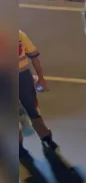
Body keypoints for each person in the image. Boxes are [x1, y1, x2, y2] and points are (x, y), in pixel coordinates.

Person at [18, 30, 57, 158]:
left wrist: (41, 78)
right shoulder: (18, 34)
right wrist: (40, 78)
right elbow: (34, 57)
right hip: (23, 77)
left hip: (21, 78)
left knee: (31, 110)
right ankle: (46, 138)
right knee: (32, 110)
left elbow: (34, 57)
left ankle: (42, 138)